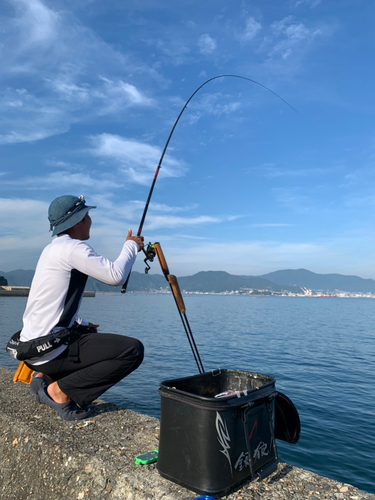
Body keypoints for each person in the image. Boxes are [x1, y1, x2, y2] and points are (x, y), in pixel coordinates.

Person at [7, 194, 144, 421]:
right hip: (50, 351)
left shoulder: (51, 250)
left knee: (86, 334)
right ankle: (59, 392)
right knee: (132, 351)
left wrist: (80, 324)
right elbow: (116, 276)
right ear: (78, 220)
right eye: (87, 215)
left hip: (33, 350)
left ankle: (45, 377)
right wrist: (131, 246)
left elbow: (50, 303)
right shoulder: (73, 249)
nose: (90, 220)